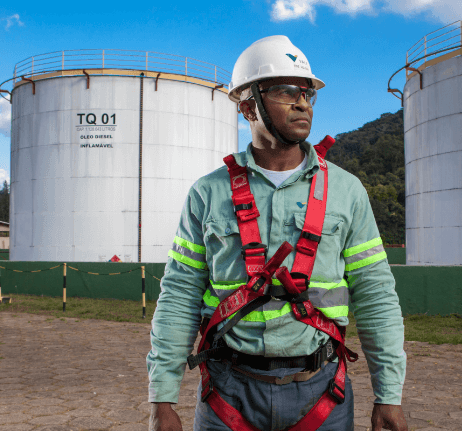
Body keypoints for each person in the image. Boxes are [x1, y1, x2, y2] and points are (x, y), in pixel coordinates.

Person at [147, 35, 407, 431]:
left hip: (321, 395)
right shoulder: (208, 193)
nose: (302, 102)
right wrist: (161, 399)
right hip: (227, 393)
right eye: (286, 91)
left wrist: (388, 395)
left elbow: (375, 294)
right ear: (247, 104)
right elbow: (179, 293)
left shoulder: (346, 191)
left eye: (307, 93)